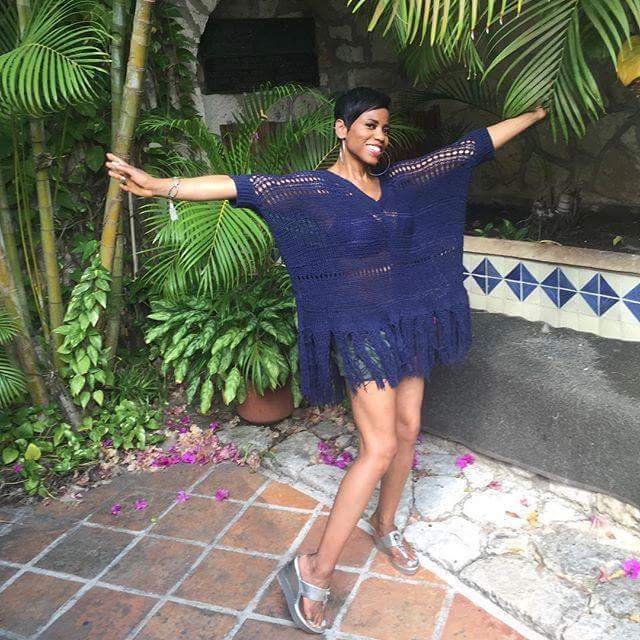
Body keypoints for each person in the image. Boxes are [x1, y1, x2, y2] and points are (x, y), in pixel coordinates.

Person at [106, 86, 547, 634]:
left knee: (408, 431)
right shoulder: (312, 189)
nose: (379, 136)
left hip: (408, 325)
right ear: (342, 129)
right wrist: (157, 185)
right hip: (360, 334)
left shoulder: (403, 181)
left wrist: (533, 114)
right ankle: (313, 569)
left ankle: (384, 524)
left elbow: (470, 147)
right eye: (368, 126)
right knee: (378, 448)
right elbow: (239, 185)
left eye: (384, 127)